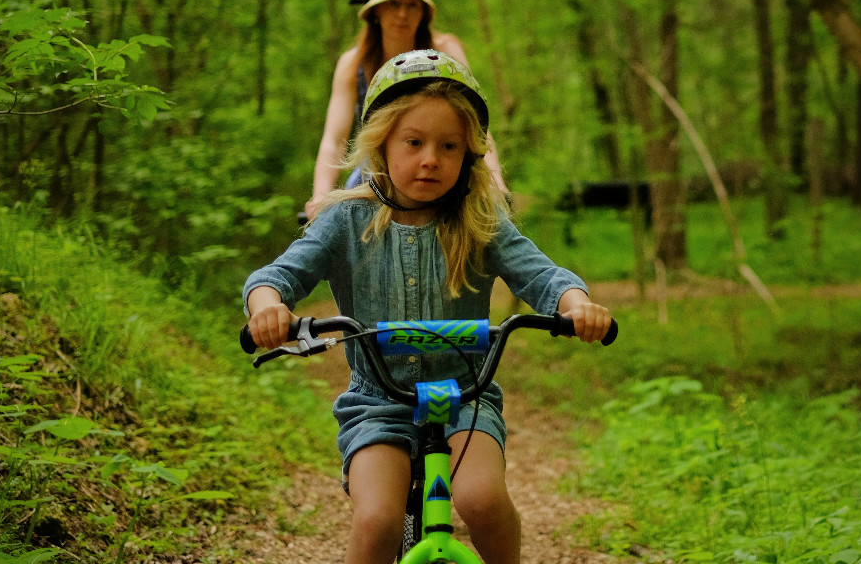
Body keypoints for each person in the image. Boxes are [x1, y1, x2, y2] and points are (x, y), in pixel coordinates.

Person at [244, 51, 612, 564]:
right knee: (377, 520)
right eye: (413, 143)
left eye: (449, 146)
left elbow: (543, 276)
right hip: (378, 401)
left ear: (469, 155)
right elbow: (276, 277)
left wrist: (578, 305)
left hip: (465, 392)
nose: (430, 159)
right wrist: (268, 307)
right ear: (381, 144)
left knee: (481, 499)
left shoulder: (479, 219)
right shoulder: (344, 219)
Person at [306, 0, 505, 223]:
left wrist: (495, 184)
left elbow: (476, 126)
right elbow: (334, 140)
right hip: (374, 173)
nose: (403, 14)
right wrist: (321, 195)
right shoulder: (354, 65)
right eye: (394, 3)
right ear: (376, 10)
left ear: (424, 13)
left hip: (439, 167)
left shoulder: (445, 54)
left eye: (412, 5)